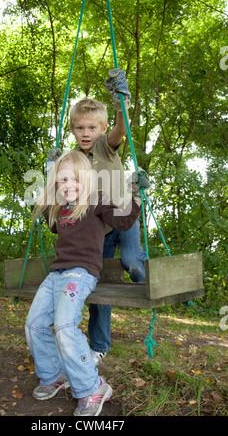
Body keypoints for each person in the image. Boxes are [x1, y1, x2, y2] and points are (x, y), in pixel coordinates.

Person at [25, 150, 142, 416]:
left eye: (75, 179)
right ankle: (54, 374)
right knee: (35, 325)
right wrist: (46, 180)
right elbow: (52, 224)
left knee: (65, 326)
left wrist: (135, 194)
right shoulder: (62, 208)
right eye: (62, 180)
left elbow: (122, 221)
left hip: (81, 273)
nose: (68, 185)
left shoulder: (96, 201)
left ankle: (92, 387)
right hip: (56, 274)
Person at [69, 69, 148, 364]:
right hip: (98, 230)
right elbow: (65, 190)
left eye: (91, 128)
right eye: (80, 128)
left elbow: (121, 129)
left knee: (132, 264)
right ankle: (99, 345)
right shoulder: (73, 159)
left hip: (124, 216)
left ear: (100, 130)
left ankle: (154, 284)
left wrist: (119, 103)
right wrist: (54, 167)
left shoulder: (105, 145)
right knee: (98, 283)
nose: (86, 133)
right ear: (73, 130)